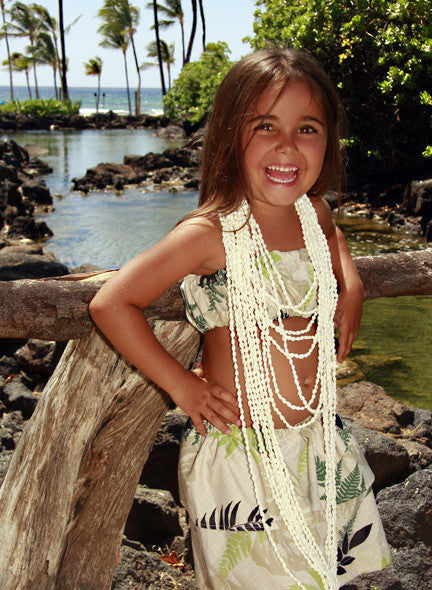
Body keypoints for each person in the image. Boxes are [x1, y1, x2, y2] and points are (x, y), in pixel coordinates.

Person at [90, 48, 391, 590]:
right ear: (232, 135)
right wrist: (181, 385)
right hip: (242, 460)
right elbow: (111, 303)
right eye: (265, 126)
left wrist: (352, 282)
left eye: (307, 128)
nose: (287, 146)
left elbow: (333, 235)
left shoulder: (311, 211)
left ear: (329, 141)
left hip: (316, 441)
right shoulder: (213, 233)